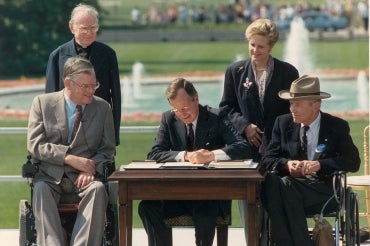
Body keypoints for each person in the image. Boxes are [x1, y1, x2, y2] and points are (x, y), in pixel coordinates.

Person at [138, 78, 251, 246]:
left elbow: (242, 147)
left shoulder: (216, 116)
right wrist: (184, 155)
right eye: (176, 109)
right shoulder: (168, 119)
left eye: (184, 108)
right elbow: (155, 153)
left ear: (196, 98)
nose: (181, 113)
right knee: (147, 207)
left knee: (205, 209)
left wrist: (211, 156)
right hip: (177, 193)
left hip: (210, 194)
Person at [218, 18, 299, 242]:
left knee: (275, 204)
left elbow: (295, 109)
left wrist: (277, 135)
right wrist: (245, 127)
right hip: (247, 152)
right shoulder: (235, 71)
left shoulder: (287, 72)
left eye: (260, 46)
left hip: (278, 151)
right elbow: (226, 108)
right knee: (249, 207)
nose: (255, 50)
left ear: (271, 47)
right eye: (252, 44)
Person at [261, 75, 360, 246]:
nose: (292, 108)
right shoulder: (282, 123)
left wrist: (320, 164)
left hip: (322, 190)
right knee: (277, 182)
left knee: (277, 185)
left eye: (297, 104)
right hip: (290, 188)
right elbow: (268, 159)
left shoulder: (336, 126)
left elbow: (353, 161)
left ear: (316, 105)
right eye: (291, 104)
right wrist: (287, 164)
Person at [27, 57, 116, 246]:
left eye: (94, 85)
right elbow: (35, 144)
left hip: (86, 178)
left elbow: (107, 149)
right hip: (51, 177)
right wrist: (68, 158)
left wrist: (89, 169)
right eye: (86, 86)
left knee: (98, 189)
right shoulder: (42, 104)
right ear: (68, 83)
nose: (92, 90)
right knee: (41, 189)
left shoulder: (103, 108)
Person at [45, 3, 121, 146]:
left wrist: (113, 135)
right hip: (65, 131)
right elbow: (50, 99)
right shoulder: (57, 56)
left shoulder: (108, 54)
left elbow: (116, 97)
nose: (89, 32)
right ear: (71, 27)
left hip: (99, 128)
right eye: (84, 28)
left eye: (93, 28)